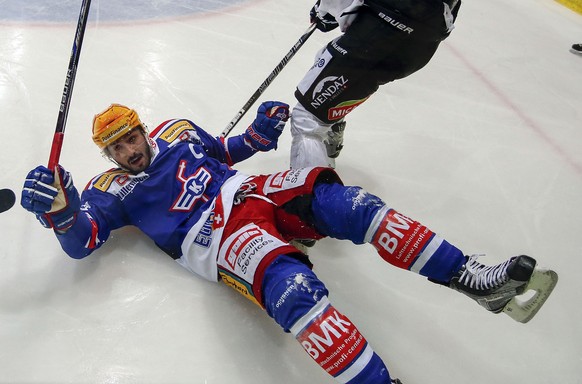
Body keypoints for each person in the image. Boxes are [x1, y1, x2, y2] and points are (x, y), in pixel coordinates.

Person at [21, 102, 556, 384]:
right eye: (117, 148)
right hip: (217, 237)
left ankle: (473, 279)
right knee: (296, 292)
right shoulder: (110, 190)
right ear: (108, 155)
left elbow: (228, 151)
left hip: (249, 191)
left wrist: (259, 131)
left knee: (350, 205)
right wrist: (62, 209)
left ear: (142, 128)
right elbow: (81, 241)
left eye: (131, 138)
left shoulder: (179, 131)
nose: (130, 151)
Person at [290, 0, 462, 168]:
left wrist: (328, 6)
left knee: (307, 118)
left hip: (380, 33)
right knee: (328, 64)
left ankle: (315, 193)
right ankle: (332, 126)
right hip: (420, 45)